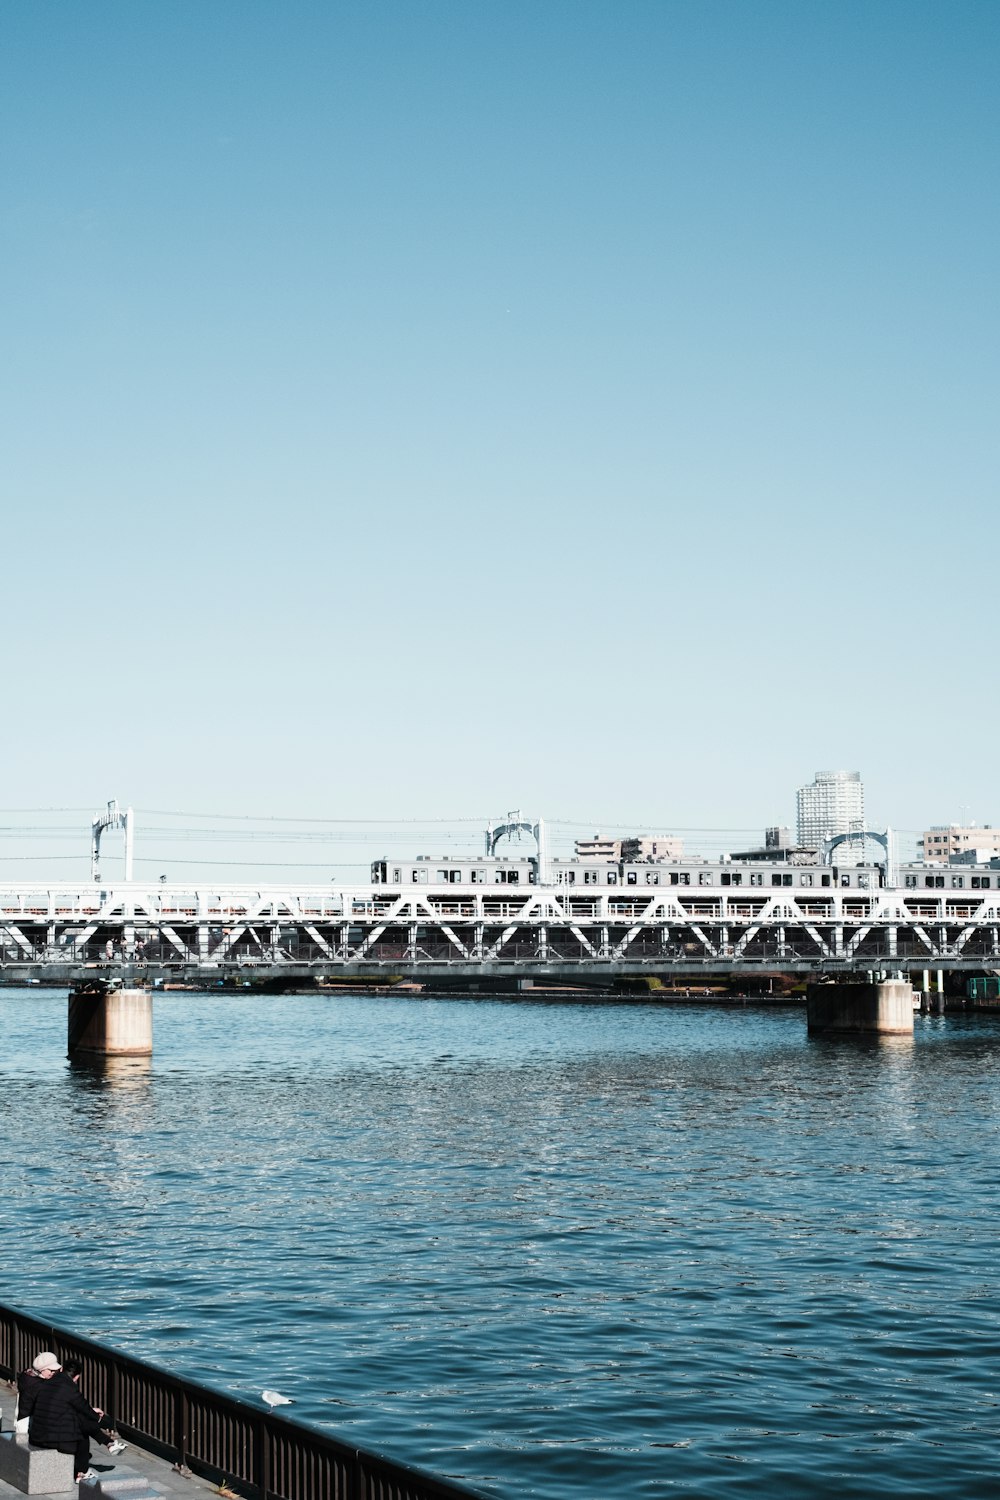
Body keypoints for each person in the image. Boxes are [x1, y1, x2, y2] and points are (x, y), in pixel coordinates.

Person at [27, 1357, 126, 1483]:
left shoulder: (49, 1383)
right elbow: (83, 1407)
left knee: (78, 1418)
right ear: (77, 1377)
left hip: (37, 1435)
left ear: (62, 1369)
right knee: (82, 1432)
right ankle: (82, 1472)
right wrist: (98, 1418)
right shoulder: (69, 1388)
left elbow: (76, 1406)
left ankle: (109, 1443)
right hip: (51, 1440)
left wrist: (90, 1411)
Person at [13, 1351, 60, 1435]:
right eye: (51, 1370)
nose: (53, 1373)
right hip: (29, 1423)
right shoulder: (37, 1386)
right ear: (42, 1369)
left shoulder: (26, 1376)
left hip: (22, 1419)